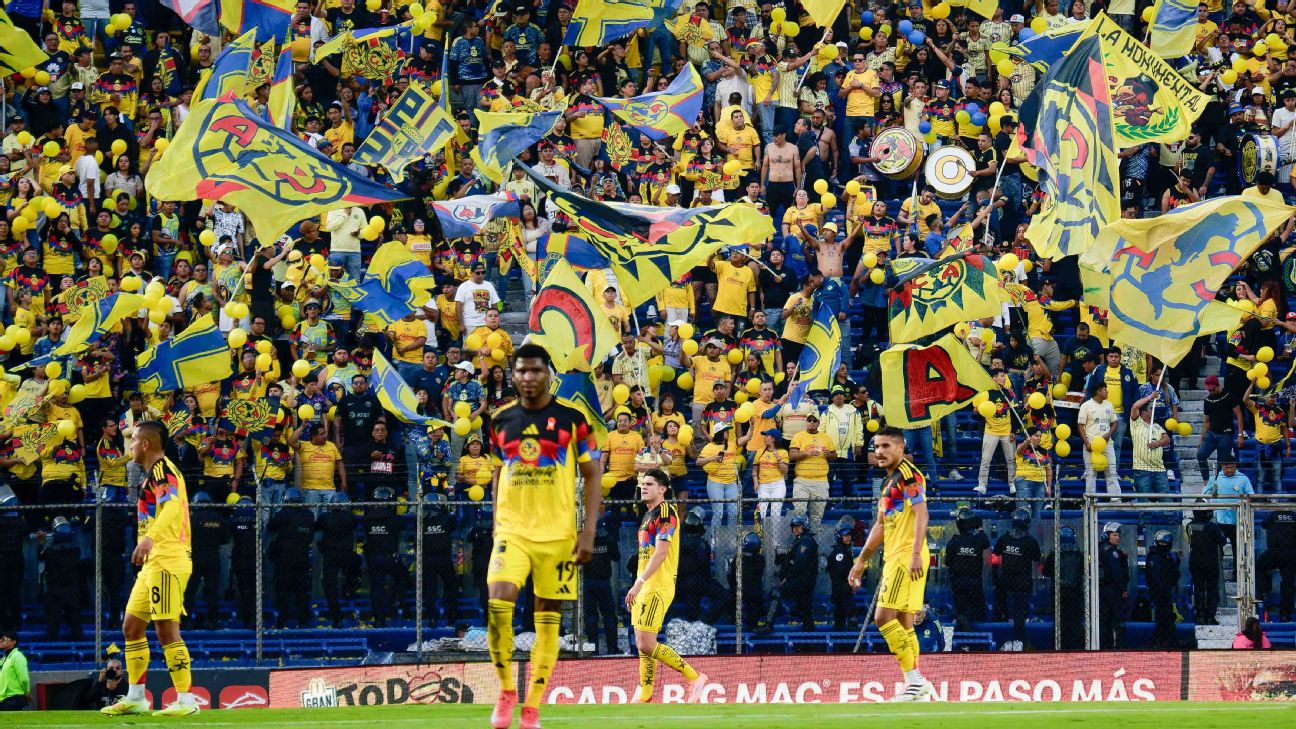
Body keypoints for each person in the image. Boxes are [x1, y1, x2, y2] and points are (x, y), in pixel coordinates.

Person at [486, 344, 602, 729]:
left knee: (547, 621)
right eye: (522, 370)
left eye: (536, 370)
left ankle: (532, 708)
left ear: (549, 374)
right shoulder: (500, 421)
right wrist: (496, 522)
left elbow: (593, 474)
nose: (529, 377)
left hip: (558, 536)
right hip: (513, 531)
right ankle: (506, 691)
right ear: (513, 376)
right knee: (498, 600)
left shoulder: (573, 420)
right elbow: (498, 472)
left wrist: (588, 531)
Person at [101, 421, 198, 716]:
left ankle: (186, 701)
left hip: (167, 557)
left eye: (133, 440)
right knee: (131, 627)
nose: (130, 446)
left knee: (167, 630)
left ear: (146, 444)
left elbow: (172, 507)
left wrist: (149, 538)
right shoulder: (153, 473)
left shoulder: (162, 469)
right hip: (155, 561)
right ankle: (136, 698)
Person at [848, 427, 933, 701]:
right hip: (898, 555)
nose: (879, 452)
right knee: (904, 622)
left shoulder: (908, 474)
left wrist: (916, 553)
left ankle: (915, 682)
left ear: (900, 447)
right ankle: (916, 685)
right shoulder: (890, 481)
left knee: (883, 618)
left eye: (886, 446)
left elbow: (922, 513)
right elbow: (881, 525)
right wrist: (861, 560)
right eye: (876, 447)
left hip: (906, 556)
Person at [625, 469, 707, 703]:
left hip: (657, 584)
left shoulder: (666, 512)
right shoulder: (647, 515)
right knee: (642, 644)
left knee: (646, 643)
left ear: (662, 489)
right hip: (644, 585)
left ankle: (695, 677)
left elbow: (661, 553)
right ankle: (646, 693)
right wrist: (638, 583)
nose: (644, 487)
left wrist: (639, 583)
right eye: (643, 483)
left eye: (649, 484)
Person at [993, 508, 1040, 650]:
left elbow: (996, 552)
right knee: (1018, 613)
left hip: (1010, 583)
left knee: (1011, 612)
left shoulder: (1005, 539)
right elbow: (1037, 557)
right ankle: (1017, 641)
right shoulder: (1029, 541)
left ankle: (1015, 641)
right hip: (1019, 584)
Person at [944, 507, 989, 630]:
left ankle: (965, 626)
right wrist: (980, 528)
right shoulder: (978, 540)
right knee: (976, 612)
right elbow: (986, 541)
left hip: (958, 582)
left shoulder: (954, 541)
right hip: (974, 582)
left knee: (961, 611)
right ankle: (969, 632)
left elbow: (947, 562)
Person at [778, 513, 819, 631]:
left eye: (798, 526)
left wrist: (787, 577)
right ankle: (808, 634)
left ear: (804, 526)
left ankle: (769, 623)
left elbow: (799, 562)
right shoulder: (800, 540)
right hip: (803, 580)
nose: (795, 528)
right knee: (804, 608)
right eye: (793, 526)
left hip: (802, 580)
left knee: (776, 593)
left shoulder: (805, 540)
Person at [1257, 508, 1296, 622]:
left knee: (1258, 567)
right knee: (1288, 582)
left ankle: (1264, 591)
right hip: (1291, 554)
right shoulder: (1294, 516)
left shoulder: (1272, 515)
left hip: (1274, 553)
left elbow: (1264, 525)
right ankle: (1285, 614)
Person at [1146, 530, 1181, 649]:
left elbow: (1172, 576)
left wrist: (1176, 562)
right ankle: (1161, 643)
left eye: (1165, 543)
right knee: (1164, 618)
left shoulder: (1165, 557)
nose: (1163, 545)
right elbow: (1155, 578)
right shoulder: (1155, 557)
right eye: (1161, 543)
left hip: (1166, 593)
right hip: (1160, 594)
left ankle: (1166, 642)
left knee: (1167, 618)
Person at [1098, 522, 1129, 650]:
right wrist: (1123, 588)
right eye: (1114, 535)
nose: (1118, 538)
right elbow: (1116, 572)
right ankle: (1116, 646)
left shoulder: (1102, 549)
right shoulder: (1111, 552)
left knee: (1105, 619)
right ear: (1107, 535)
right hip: (1113, 590)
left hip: (1105, 589)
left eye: (1118, 535)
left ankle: (1106, 646)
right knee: (1117, 619)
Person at [825, 521, 856, 630]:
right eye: (845, 536)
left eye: (849, 535)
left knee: (840, 612)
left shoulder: (844, 550)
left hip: (841, 585)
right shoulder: (840, 551)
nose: (848, 538)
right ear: (839, 537)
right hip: (841, 585)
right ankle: (850, 620)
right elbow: (840, 570)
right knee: (842, 609)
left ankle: (841, 631)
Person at [0, 631, 28, 711]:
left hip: (14, 697)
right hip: (5, 697)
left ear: (13, 642)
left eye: (4, 639)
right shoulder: (5, 658)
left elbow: (24, 679)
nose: (1, 641)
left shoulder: (17, 657)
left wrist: (26, 693)